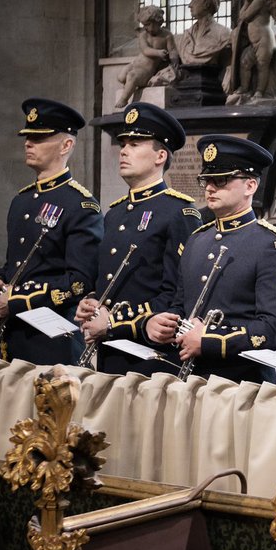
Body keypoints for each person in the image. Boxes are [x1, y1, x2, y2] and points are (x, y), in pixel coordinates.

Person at [145, 135, 276, 382]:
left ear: (250, 186)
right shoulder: (197, 239)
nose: (209, 187)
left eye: (221, 180)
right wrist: (159, 323)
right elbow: (180, 305)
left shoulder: (271, 245)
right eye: (206, 180)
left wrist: (210, 340)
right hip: (188, 378)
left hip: (241, 383)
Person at [73, 102, 201, 374]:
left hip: (150, 356)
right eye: (124, 144)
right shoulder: (115, 213)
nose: (124, 151)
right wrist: (93, 301)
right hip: (109, 349)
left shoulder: (179, 212)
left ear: (160, 156)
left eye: (135, 144)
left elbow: (176, 294)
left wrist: (113, 321)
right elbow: (108, 280)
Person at [0, 99, 103, 364]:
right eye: (27, 137)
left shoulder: (80, 205)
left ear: (66, 145)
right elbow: (20, 265)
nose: (28, 143)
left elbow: (80, 281)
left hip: (51, 339)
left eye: (39, 137)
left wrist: (19, 299)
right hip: (10, 333)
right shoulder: (21, 201)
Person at [226, 0, 276, 100]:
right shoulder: (253, 0)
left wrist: (246, 3)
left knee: (262, 65)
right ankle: (245, 88)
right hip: (254, 42)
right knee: (245, 62)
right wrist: (246, 1)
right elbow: (240, 16)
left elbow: (245, 16)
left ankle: (260, 92)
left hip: (265, 39)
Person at [114, 5, 175, 108]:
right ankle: (131, 84)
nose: (145, 28)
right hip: (135, 64)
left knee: (132, 76)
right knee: (121, 77)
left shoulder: (167, 36)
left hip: (146, 70)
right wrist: (158, 53)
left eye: (148, 24)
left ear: (158, 22)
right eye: (144, 25)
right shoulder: (144, 35)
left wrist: (174, 61)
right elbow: (145, 50)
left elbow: (173, 50)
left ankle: (124, 99)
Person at [175, 0, 231, 67]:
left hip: (210, 76)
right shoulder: (187, 35)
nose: (190, 5)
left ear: (206, 4)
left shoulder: (223, 34)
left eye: (194, 1)